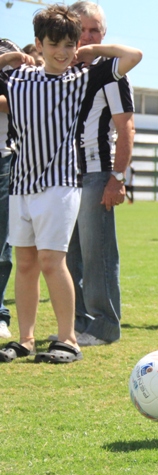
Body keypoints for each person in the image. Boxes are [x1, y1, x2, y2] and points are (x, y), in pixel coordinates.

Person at [0, 4, 142, 363]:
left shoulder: (81, 79)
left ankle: (69, 339)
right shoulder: (18, 79)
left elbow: (134, 56)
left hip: (61, 183)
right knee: (26, 262)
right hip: (22, 184)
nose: (63, 52)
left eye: (69, 44)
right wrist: (14, 56)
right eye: (54, 44)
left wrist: (95, 50)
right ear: (39, 44)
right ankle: (26, 338)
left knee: (52, 260)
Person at [65, 1, 134, 347]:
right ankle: (77, 325)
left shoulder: (111, 71)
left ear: (104, 35)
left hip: (96, 174)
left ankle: (105, 325)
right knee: (70, 256)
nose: (87, 37)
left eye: (95, 30)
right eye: (82, 30)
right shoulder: (67, 72)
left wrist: (117, 178)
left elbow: (126, 129)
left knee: (98, 255)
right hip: (67, 176)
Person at [0, 39, 20, 341]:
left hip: (4, 161)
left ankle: (0, 313)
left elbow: (14, 101)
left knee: (3, 244)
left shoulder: (14, 76)